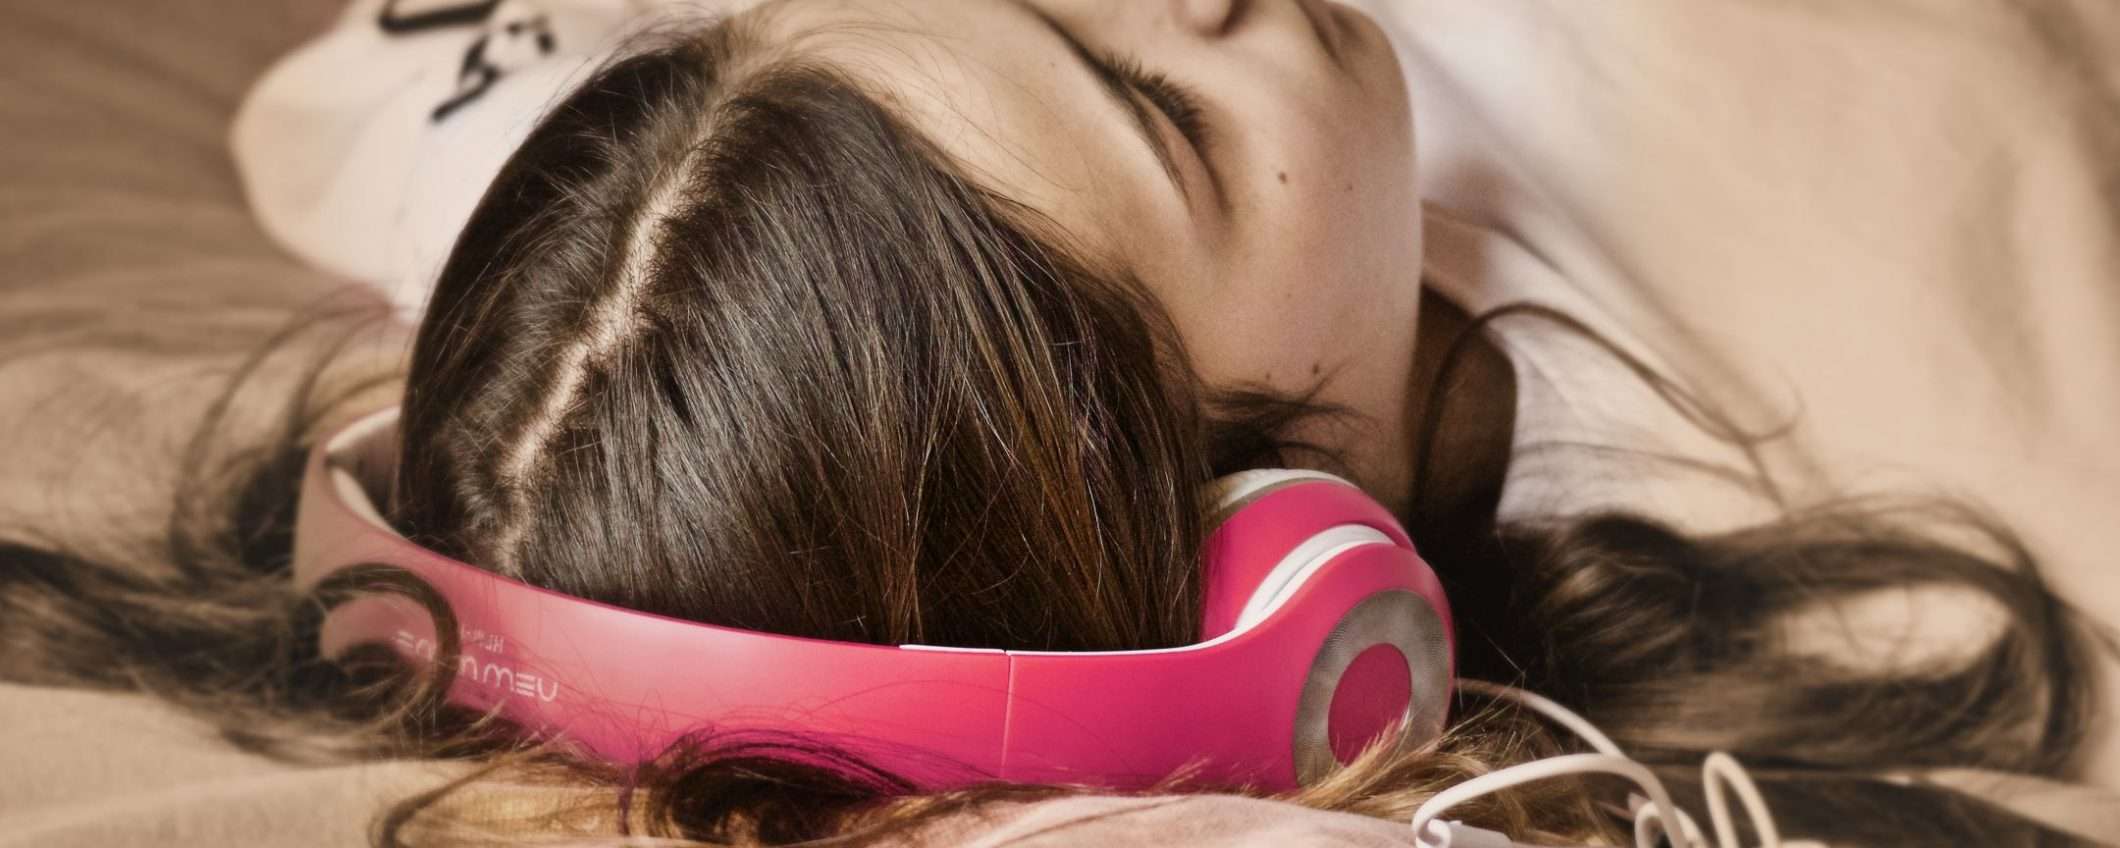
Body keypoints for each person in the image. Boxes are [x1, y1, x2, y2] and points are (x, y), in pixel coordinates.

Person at [6, 0, 2118, 844]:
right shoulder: (1825, 258)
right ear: (1288, 549)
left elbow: (331, 94)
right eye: (1159, 109)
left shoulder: (542, 208)